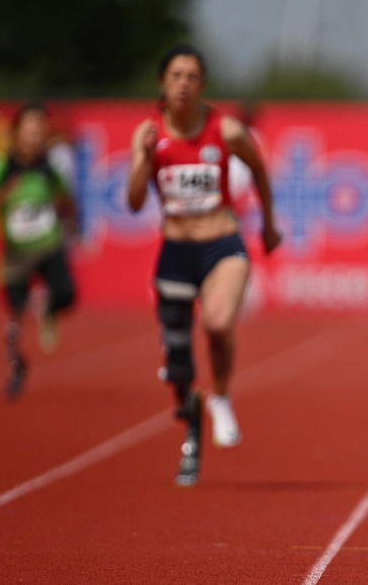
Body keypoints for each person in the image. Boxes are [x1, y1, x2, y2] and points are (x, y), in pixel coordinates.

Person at [127, 44, 282, 486]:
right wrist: (142, 158)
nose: (183, 83)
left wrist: (269, 225)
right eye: (175, 75)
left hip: (222, 245)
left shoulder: (226, 129)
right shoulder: (150, 132)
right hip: (175, 252)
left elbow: (259, 170)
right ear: (162, 83)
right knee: (178, 367)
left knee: (216, 324)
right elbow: (134, 201)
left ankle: (219, 397)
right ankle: (188, 403)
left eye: (192, 76)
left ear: (203, 85)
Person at [0, 102, 77, 399]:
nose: (35, 136)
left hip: (48, 244)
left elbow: (65, 198)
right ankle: (17, 367)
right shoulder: (3, 165)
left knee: (67, 295)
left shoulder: (49, 166)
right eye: (30, 130)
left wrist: (69, 219)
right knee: (16, 311)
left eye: (41, 131)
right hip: (17, 252)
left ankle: (48, 308)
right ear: (16, 133)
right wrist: (6, 191)